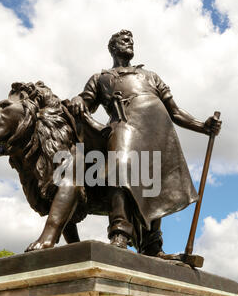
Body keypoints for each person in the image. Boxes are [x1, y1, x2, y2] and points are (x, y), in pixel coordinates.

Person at [69, 30, 221, 255]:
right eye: (123, 40)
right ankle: (120, 232)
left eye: (131, 40)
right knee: (118, 169)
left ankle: (151, 244)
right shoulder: (101, 77)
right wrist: (77, 99)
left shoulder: (150, 76)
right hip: (124, 123)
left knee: (153, 183)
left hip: (157, 130)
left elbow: (176, 112)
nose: (129, 43)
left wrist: (202, 126)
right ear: (112, 47)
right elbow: (86, 102)